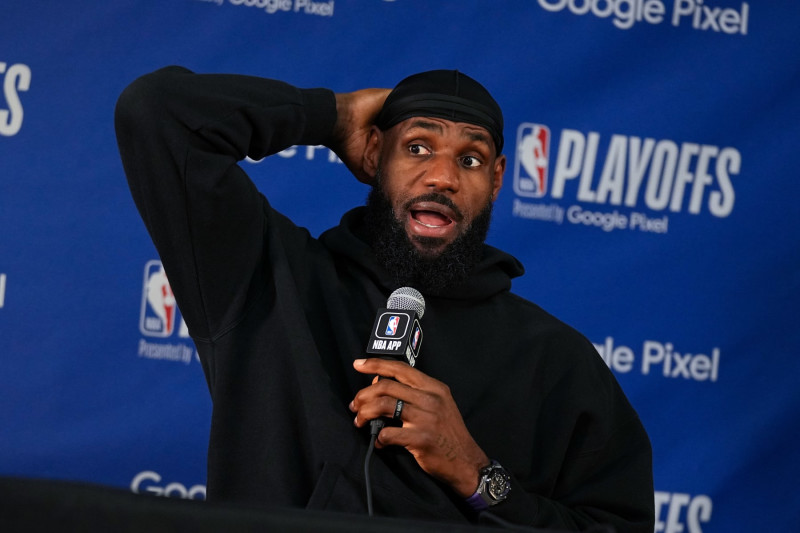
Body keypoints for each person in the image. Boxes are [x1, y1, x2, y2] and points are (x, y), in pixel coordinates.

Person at [115, 66, 654, 531]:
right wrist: (332, 115)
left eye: (470, 160)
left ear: (496, 180)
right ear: (374, 153)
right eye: (417, 147)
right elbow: (157, 114)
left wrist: (476, 474)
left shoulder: (558, 361)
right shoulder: (268, 278)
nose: (442, 176)